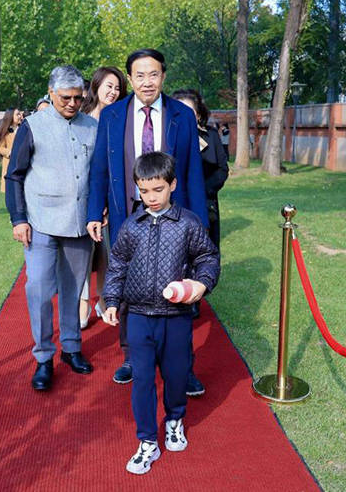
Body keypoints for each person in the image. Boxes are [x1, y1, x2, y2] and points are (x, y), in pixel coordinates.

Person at [86, 48, 208, 394]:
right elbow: (100, 167)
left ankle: (182, 365)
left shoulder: (182, 116)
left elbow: (192, 172)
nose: (147, 82)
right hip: (127, 214)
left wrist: (198, 223)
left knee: (177, 287)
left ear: (163, 76)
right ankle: (132, 357)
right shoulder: (112, 115)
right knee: (127, 284)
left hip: (174, 216)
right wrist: (94, 211)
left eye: (153, 74)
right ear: (130, 78)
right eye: (139, 75)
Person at [101, 151, 219, 475]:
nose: (151, 197)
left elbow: (207, 258)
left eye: (158, 189)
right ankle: (147, 441)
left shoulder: (189, 224)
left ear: (172, 185)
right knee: (142, 379)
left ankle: (175, 420)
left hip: (176, 317)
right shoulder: (131, 226)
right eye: (144, 191)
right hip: (138, 316)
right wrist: (111, 301)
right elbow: (117, 265)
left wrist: (201, 284)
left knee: (176, 375)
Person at [5, 65, 98, 391]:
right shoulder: (32, 125)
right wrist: (18, 219)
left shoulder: (93, 126)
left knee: (74, 290)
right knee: (40, 291)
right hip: (40, 223)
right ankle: (43, 356)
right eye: (65, 98)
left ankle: (71, 348)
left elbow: (99, 173)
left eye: (78, 98)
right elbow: (14, 175)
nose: (72, 103)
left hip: (79, 224)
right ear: (51, 93)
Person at [78, 66, 128, 330]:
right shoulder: (80, 118)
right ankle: (83, 301)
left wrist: (106, 202)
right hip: (79, 195)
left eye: (118, 88)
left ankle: (104, 298)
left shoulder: (121, 119)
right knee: (83, 254)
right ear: (95, 86)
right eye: (109, 86)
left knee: (107, 253)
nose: (113, 92)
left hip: (110, 195)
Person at [172, 89, 229, 249]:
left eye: (189, 112)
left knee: (206, 252)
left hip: (206, 203)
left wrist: (202, 190)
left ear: (197, 115)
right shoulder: (167, 138)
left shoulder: (211, 135)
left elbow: (222, 169)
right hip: (175, 204)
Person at [0, 109, 23, 194]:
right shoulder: (5, 132)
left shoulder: (24, 129)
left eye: (20, 114)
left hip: (23, 165)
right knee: (11, 193)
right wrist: (11, 152)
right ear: (11, 116)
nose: (20, 116)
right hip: (10, 165)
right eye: (17, 114)